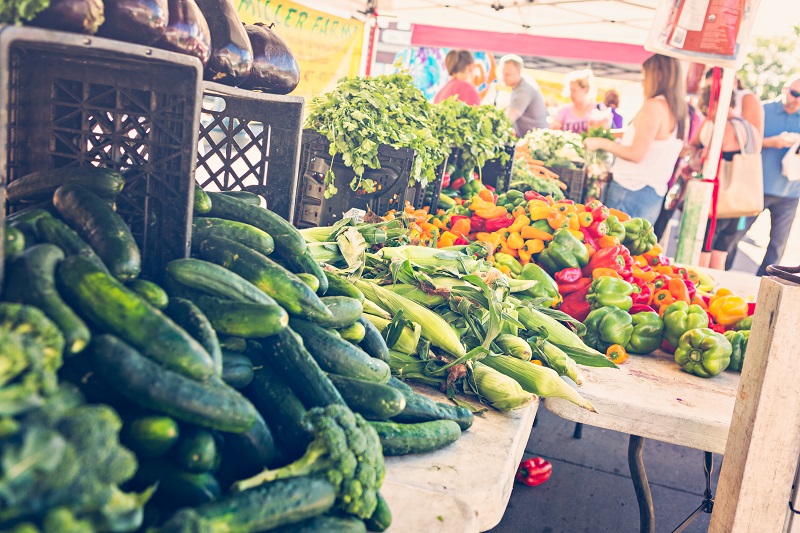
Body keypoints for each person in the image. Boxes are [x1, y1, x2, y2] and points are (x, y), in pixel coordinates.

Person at [584, 54, 688, 223]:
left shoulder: (654, 106)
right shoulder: (678, 109)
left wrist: (601, 143)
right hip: (652, 193)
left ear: (658, 76)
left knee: (614, 246)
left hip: (630, 190)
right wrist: (611, 134)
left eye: (645, 77)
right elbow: (648, 137)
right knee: (636, 248)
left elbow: (636, 154)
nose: (642, 82)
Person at [692, 86, 762, 270]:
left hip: (717, 201)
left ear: (715, 104)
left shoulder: (722, 128)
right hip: (739, 202)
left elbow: (705, 158)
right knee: (720, 254)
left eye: (707, 109)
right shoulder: (751, 129)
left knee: (703, 254)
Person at [739, 75, 800, 276]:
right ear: (784, 89)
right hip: (756, 189)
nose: (797, 99)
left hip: (790, 194)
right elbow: (743, 142)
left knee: (777, 246)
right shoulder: (762, 110)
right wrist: (770, 142)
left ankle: (763, 288)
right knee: (735, 236)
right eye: (795, 93)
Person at [499, 54, 548, 137]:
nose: (504, 78)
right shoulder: (526, 80)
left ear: (518, 72)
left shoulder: (523, 90)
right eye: (503, 74)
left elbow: (510, 117)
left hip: (534, 140)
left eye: (507, 74)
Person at [551, 70, 597, 134]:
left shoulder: (596, 109)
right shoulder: (564, 110)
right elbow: (554, 127)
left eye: (574, 90)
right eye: (570, 90)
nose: (571, 94)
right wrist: (555, 126)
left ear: (586, 89)